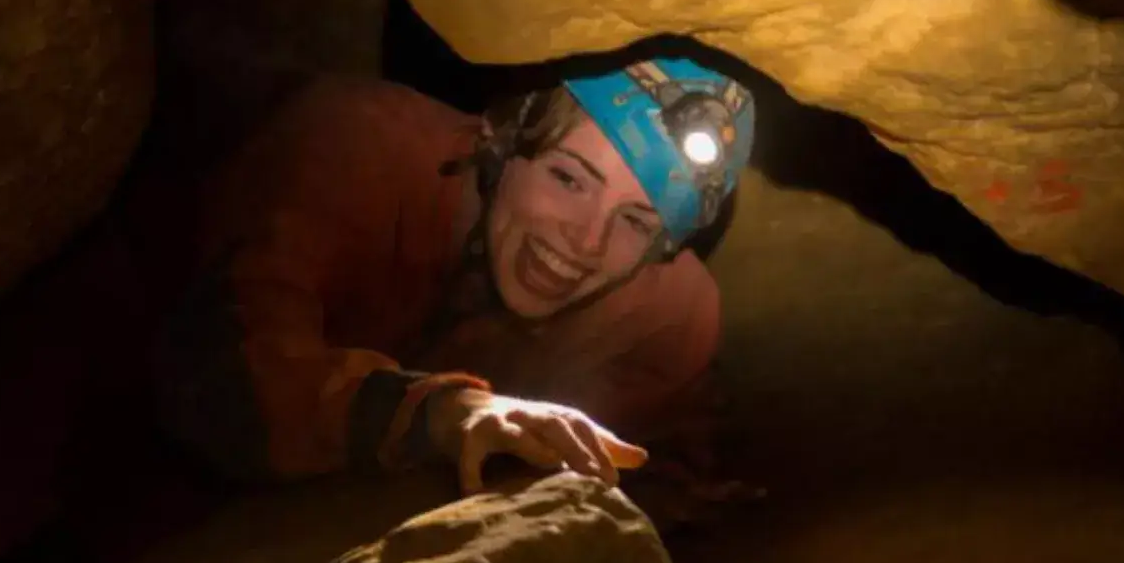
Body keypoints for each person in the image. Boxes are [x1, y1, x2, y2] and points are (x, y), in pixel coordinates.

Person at [156, 56, 761, 499]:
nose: (587, 242)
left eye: (634, 221)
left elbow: (665, 464)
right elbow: (222, 380)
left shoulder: (665, 316)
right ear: (501, 135)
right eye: (567, 178)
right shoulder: (356, 144)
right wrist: (442, 414)